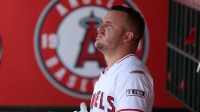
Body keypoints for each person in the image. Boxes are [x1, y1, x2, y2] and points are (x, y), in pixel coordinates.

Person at [76, 5, 154, 112]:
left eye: (109, 25)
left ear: (127, 37)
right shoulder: (112, 72)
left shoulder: (131, 75)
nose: (100, 28)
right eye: (102, 23)